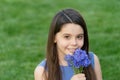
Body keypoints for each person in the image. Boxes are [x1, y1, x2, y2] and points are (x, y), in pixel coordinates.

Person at [34, 8, 102, 80]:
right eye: (67, 37)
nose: (74, 43)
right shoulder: (42, 71)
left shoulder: (92, 59)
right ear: (54, 38)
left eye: (79, 37)